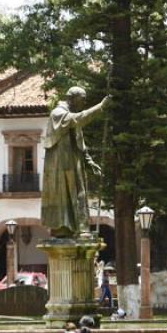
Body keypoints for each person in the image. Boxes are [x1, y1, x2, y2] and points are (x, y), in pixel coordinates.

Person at [40, 86, 111, 237]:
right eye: (82, 99)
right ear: (71, 98)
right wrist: (100, 107)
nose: (84, 102)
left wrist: (89, 161)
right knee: (65, 196)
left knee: (78, 194)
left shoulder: (71, 115)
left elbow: (80, 143)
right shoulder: (58, 113)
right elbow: (76, 120)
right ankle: (64, 228)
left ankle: (80, 228)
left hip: (73, 163)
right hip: (61, 165)